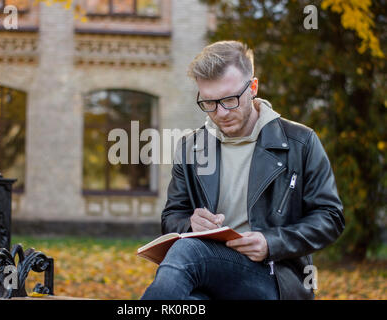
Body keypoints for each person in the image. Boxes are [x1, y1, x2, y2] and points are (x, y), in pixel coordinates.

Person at [140, 40, 345, 300]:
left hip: (275, 278)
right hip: (208, 273)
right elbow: (172, 216)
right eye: (209, 103)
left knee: (187, 251)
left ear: (253, 88)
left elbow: (330, 217)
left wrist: (271, 243)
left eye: (229, 100)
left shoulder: (300, 142)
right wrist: (190, 224)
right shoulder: (191, 146)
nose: (221, 113)